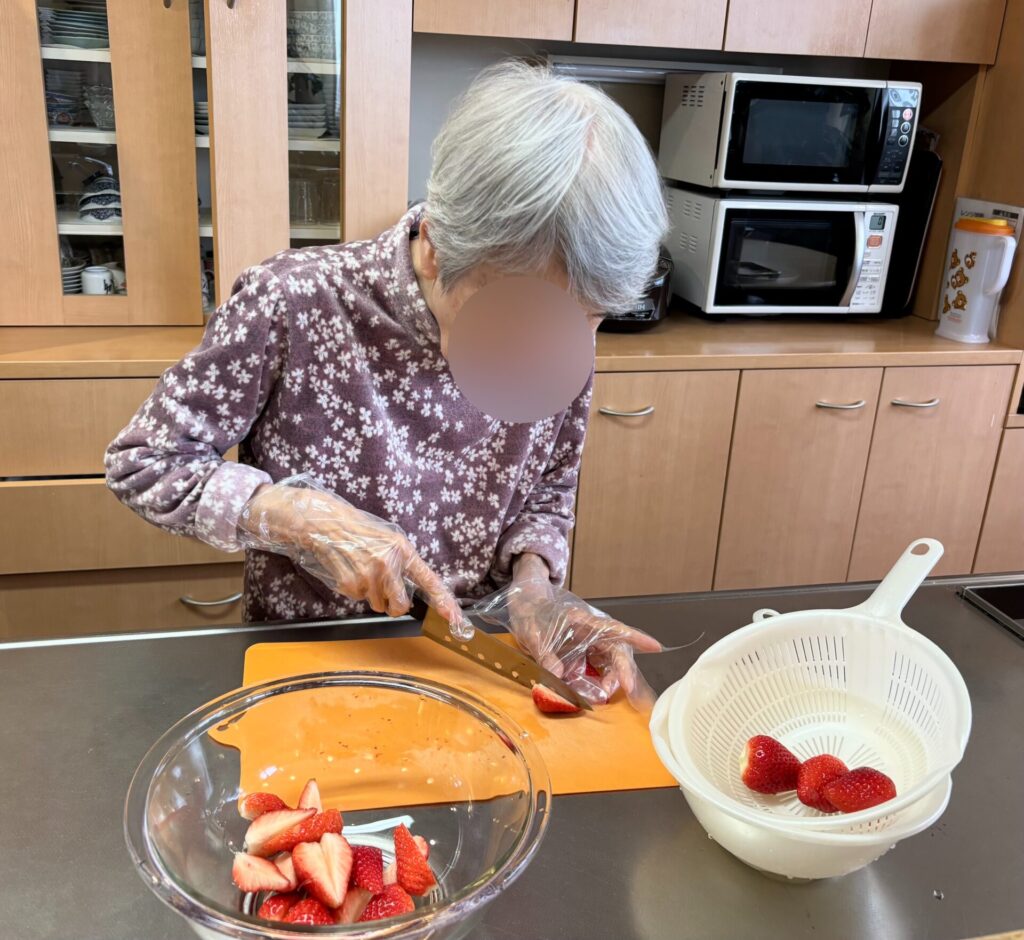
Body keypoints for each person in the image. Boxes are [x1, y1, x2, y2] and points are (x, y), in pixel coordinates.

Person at [106, 61, 668, 708]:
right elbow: (144, 461)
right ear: (435, 246)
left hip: (478, 670)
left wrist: (535, 587)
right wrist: (296, 518)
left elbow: (547, 488)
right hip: (312, 667)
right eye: (516, 319)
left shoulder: (563, 334)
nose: (543, 350)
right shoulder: (294, 302)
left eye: (584, 322)